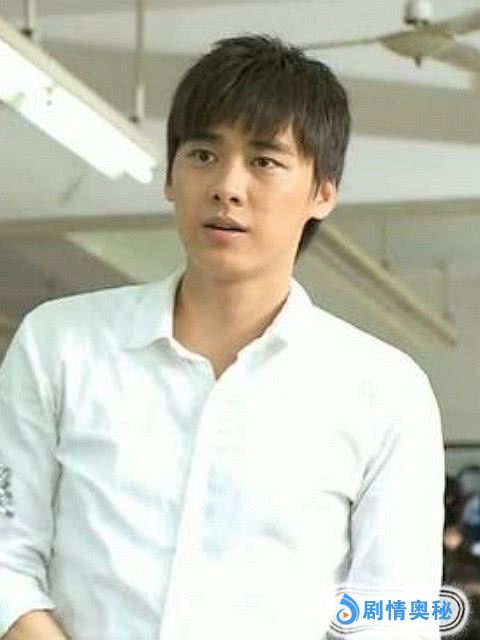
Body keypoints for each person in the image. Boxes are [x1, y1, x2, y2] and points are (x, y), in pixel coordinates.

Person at [0, 34, 445, 640]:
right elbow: (7, 559)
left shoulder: (384, 391)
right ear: (170, 175)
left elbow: (394, 611)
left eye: (265, 161)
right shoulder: (60, 345)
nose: (227, 186)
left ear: (323, 192)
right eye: (203, 154)